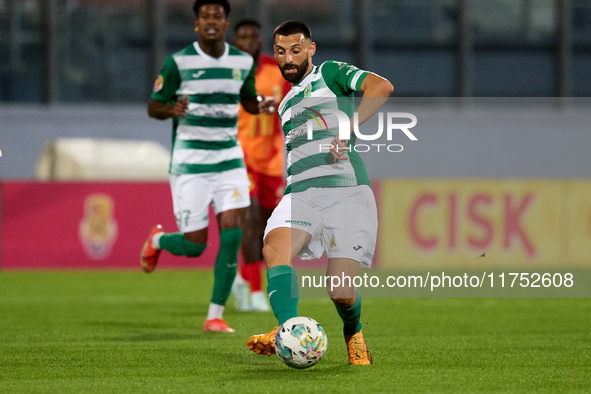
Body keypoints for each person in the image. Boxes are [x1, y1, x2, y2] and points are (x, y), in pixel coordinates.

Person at [246, 20, 393, 365]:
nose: (288, 59)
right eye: (281, 52)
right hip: (300, 194)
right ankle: (288, 329)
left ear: (311, 50)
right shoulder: (284, 105)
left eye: (296, 50)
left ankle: (353, 331)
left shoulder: (330, 74)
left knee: (340, 292)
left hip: (346, 192)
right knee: (274, 248)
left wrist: (350, 127)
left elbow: (381, 86)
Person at [141, 0, 274, 333]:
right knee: (195, 245)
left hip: (229, 160)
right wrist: (172, 109)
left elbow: (246, 100)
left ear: (226, 23)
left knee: (232, 235)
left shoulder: (241, 62)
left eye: (218, 16)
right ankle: (157, 241)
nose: (212, 20)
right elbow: (153, 106)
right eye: (205, 16)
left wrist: (262, 105)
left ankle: (215, 315)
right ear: (197, 24)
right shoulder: (179, 63)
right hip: (190, 163)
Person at [231, 19, 291, 312]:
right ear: (235, 41)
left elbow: (294, 104)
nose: (249, 41)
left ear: (261, 39)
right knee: (250, 219)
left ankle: (243, 278)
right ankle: (257, 291)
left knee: (268, 225)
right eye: (242, 36)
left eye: (253, 36)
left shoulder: (276, 71)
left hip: (271, 158)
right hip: (239, 156)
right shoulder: (226, 73)